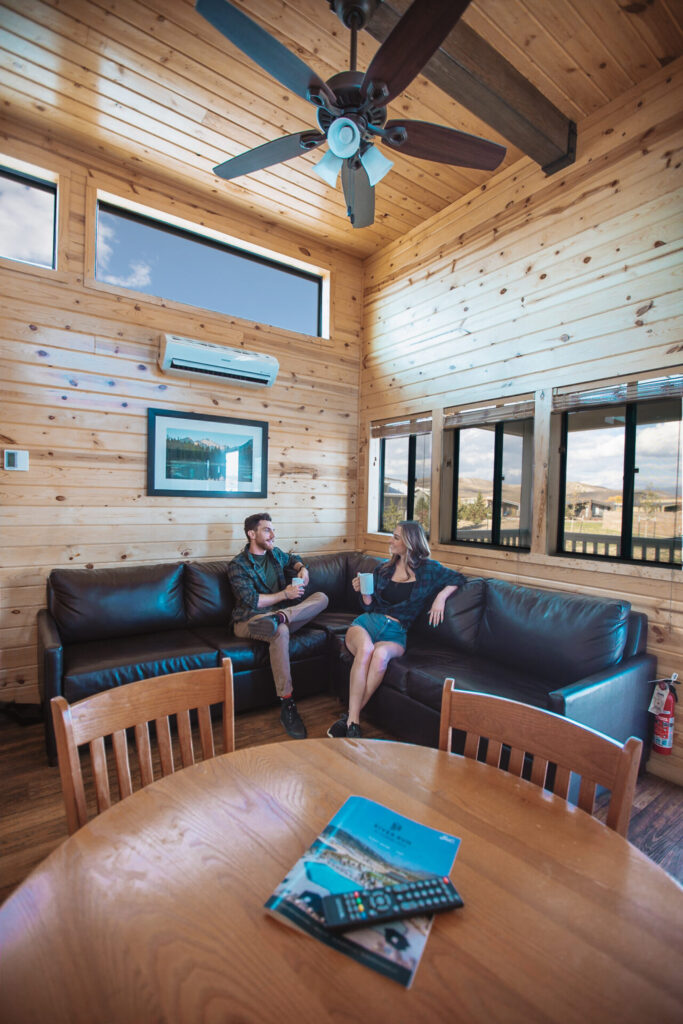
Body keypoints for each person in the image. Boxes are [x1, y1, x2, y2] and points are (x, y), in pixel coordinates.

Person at [327, 520, 465, 739]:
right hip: (367, 624)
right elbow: (369, 606)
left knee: (380, 656)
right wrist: (364, 593)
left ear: (410, 542)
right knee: (366, 651)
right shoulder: (383, 569)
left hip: (396, 633)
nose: (390, 541)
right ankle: (354, 721)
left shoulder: (429, 570)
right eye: (392, 536)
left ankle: (350, 717)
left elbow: (458, 578)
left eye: (396, 537)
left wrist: (440, 598)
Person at [228, 513, 329, 739]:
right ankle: (287, 704)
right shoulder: (238, 565)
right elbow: (253, 601)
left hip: (278, 614)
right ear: (251, 534)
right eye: (266, 530)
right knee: (280, 630)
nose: (273, 535)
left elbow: (293, 557)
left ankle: (282, 617)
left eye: (272, 530)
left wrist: (303, 569)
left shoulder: (275, 554)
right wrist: (285, 594)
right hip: (249, 620)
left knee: (322, 597)